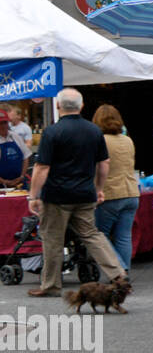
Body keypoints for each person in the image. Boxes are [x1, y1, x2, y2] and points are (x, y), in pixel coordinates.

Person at [25, 88, 127, 297]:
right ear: (81, 106)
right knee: (92, 235)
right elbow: (104, 163)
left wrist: (33, 195)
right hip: (85, 193)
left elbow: (42, 167)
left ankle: (51, 284)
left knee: (53, 239)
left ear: (58, 106)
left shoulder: (52, 132)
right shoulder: (94, 131)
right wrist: (99, 189)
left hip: (56, 195)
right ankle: (118, 274)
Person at [90, 105, 140, 276]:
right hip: (131, 191)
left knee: (100, 234)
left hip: (110, 192)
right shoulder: (128, 140)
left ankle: (119, 270)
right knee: (124, 236)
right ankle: (124, 271)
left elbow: (97, 167)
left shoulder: (99, 140)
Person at [0, 109, 31, 189]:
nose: (3, 126)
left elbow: (26, 157)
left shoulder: (15, 136)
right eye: (0, 123)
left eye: (5, 123)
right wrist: (4, 181)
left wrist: (22, 176)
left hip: (19, 183)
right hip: (2, 186)